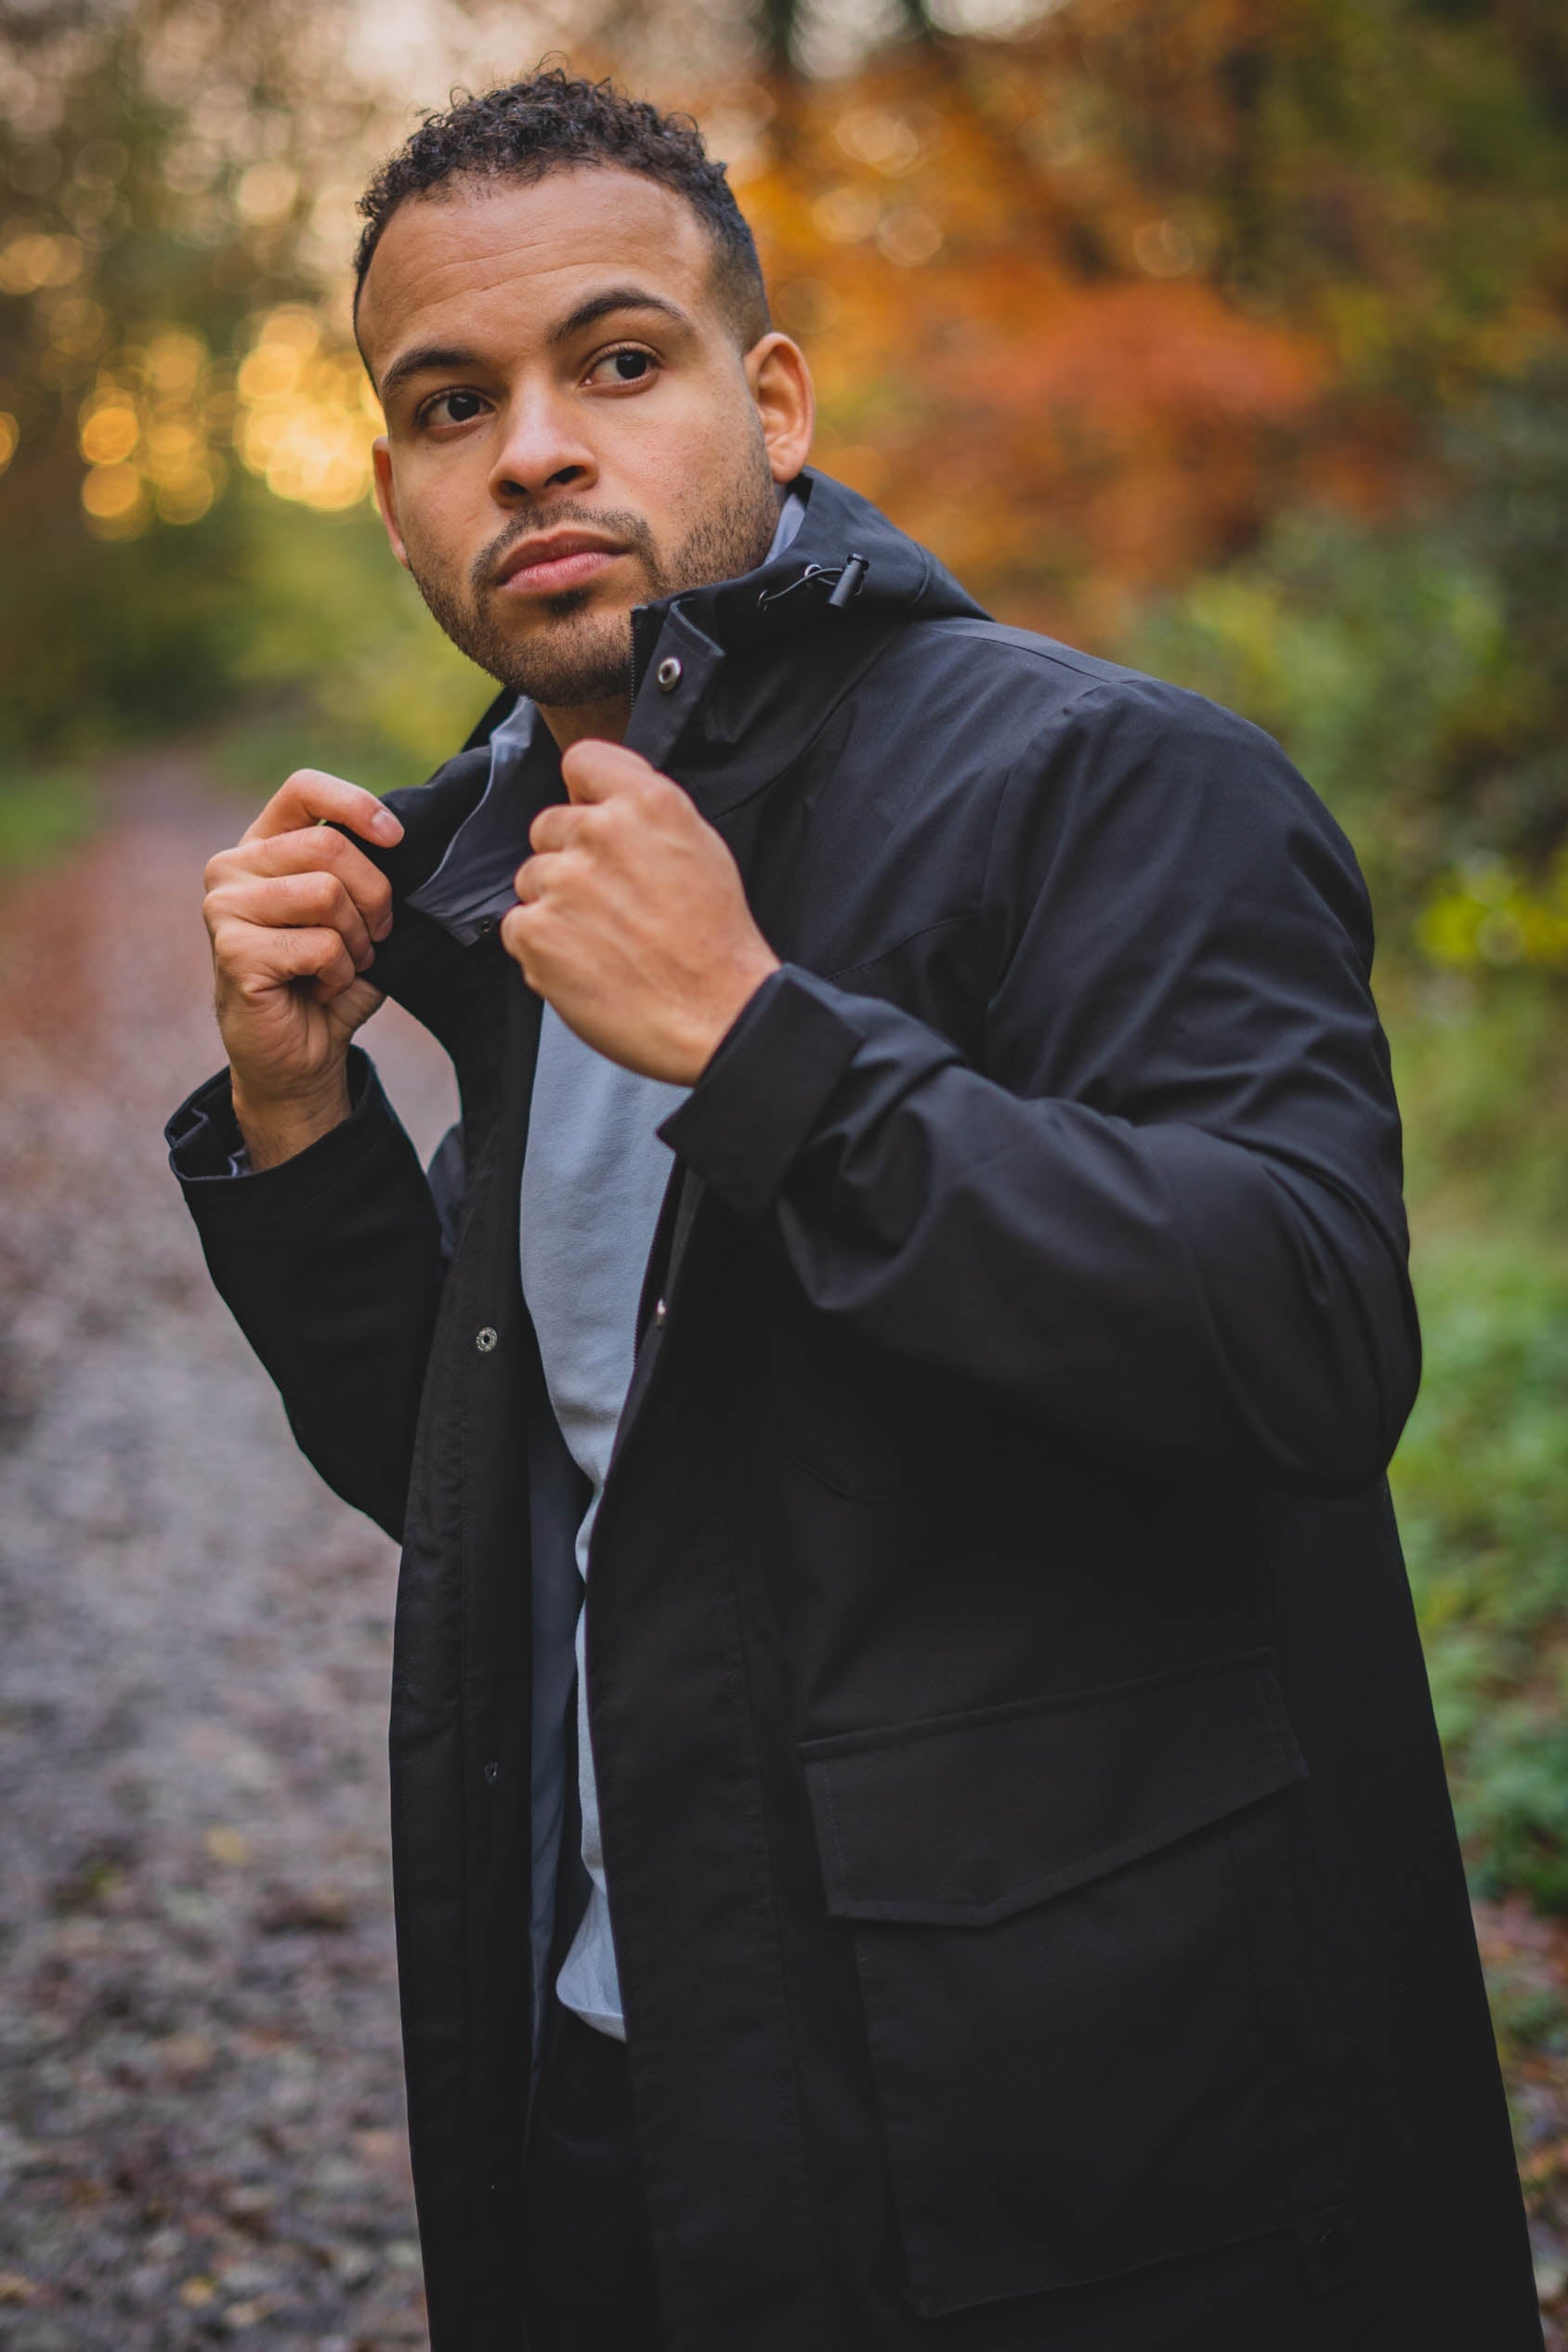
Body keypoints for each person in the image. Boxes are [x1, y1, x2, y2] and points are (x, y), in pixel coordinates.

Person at [165, 69, 1541, 2352]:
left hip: (1081, 2160)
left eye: (618, 361)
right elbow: (530, 1492)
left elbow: (1306, 1333)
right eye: (448, 403)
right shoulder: (510, 869)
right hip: (618, 2080)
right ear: (395, 495)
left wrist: (759, 1048)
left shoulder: (1106, 780)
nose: (532, 451)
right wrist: (301, 1124)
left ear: (774, 401)